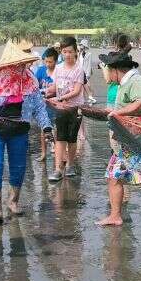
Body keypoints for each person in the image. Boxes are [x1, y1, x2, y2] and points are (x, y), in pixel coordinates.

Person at [0, 39, 53, 224]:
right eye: (19, 64)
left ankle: (13, 201)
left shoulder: (30, 81)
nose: (22, 67)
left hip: (20, 130)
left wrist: (46, 127)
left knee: (19, 167)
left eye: (24, 64)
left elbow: (38, 107)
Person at [95, 52, 141, 240]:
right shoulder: (124, 83)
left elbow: (140, 103)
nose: (107, 74)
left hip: (137, 141)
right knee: (113, 177)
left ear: (116, 70)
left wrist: (116, 113)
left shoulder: (137, 81)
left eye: (108, 70)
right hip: (124, 141)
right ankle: (115, 215)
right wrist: (114, 112)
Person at [45, 36, 84, 182]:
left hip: (75, 108)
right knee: (60, 138)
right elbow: (55, 86)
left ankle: (70, 165)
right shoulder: (58, 68)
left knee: (72, 139)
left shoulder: (79, 70)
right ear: (61, 52)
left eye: (70, 52)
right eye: (64, 52)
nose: (67, 55)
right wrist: (47, 91)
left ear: (76, 52)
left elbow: (76, 91)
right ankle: (57, 169)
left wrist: (59, 98)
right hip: (60, 109)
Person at [34, 46, 58, 162]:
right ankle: (43, 153)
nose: (48, 64)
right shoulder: (41, 70)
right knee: (43, 130)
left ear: (56, 61)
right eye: (46, 61)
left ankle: (58, 153)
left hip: (56, 105)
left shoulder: (59, 71)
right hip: (43, 106)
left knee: (57, 130)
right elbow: (35, 86)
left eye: (50, 62)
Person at [79, 38, 95, 104]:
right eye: (81, 45)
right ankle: (86, 97)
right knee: (82, 85)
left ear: (85, 46)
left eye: (82, 45)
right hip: (80, 71)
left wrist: (88, 74)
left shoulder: (89, 54)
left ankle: (91, 96)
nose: (81, 46)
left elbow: (89, 65)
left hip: (86, 71)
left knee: (87, 85)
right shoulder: (79, 53)